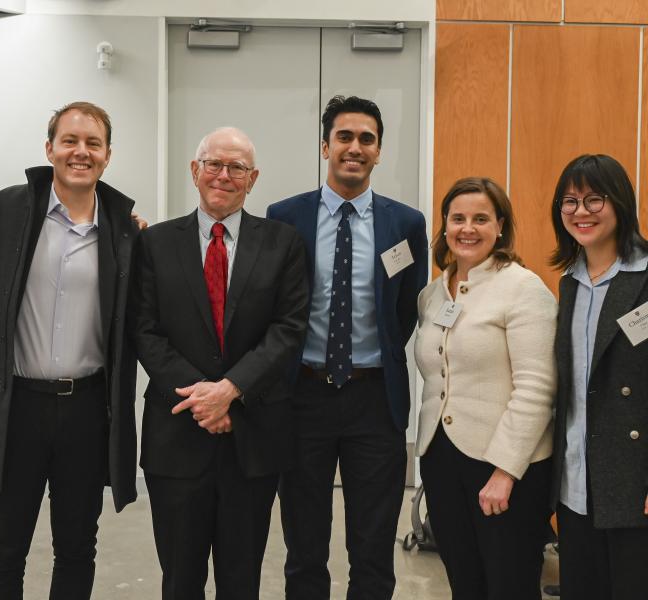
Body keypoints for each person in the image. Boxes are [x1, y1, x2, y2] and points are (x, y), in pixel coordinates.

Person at [0, 102, 139, 600]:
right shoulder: (4, 212)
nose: (81, 152)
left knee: (77, 547)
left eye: (93, 143)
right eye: (70, 141)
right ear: (49, 148)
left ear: (108, 155)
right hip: (18, 409)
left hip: (87, 410)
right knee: (5, 547)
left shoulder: (123, 231)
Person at [133, 126, 309, 600]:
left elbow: (288, 328)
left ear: (253, 179)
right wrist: (203, 398)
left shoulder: (283, 244)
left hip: (251, 438)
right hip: (176, 438)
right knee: (179, 580)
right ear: (195, 171)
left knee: (241, 580)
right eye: (214, 164)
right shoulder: (154, 244)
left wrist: (230, 389)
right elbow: (144, 332)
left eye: (237, 168)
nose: (224, 175)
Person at [266, 95, 428, 600]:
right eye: (344, 137)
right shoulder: (284, 217)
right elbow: (273, 304)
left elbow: (404, 311)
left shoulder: (406, 224)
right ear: (325, 146)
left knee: (373, 547)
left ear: (379, 151)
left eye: (367, 139)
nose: (354, 148)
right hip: (302, 397)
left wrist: (367, 360)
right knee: (305, 545)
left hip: (374, 401)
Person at [414, 177, 557, 599]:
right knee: (464, 582)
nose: (467, 228)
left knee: (509, 585)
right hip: (441, 458)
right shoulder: (433, 294)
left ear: (500, 227)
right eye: (457, 218)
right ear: (444, 226)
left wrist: (505, 472)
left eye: (480, 219)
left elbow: (537, 388)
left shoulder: (523, 288)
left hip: (504, 467)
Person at [548, 154, 648, 600]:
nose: (581, 211)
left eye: (594, 199)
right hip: (576, 483)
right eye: (569, 201)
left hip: (633, 480)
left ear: (620, 203)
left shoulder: (644, 277)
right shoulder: (569, 281)